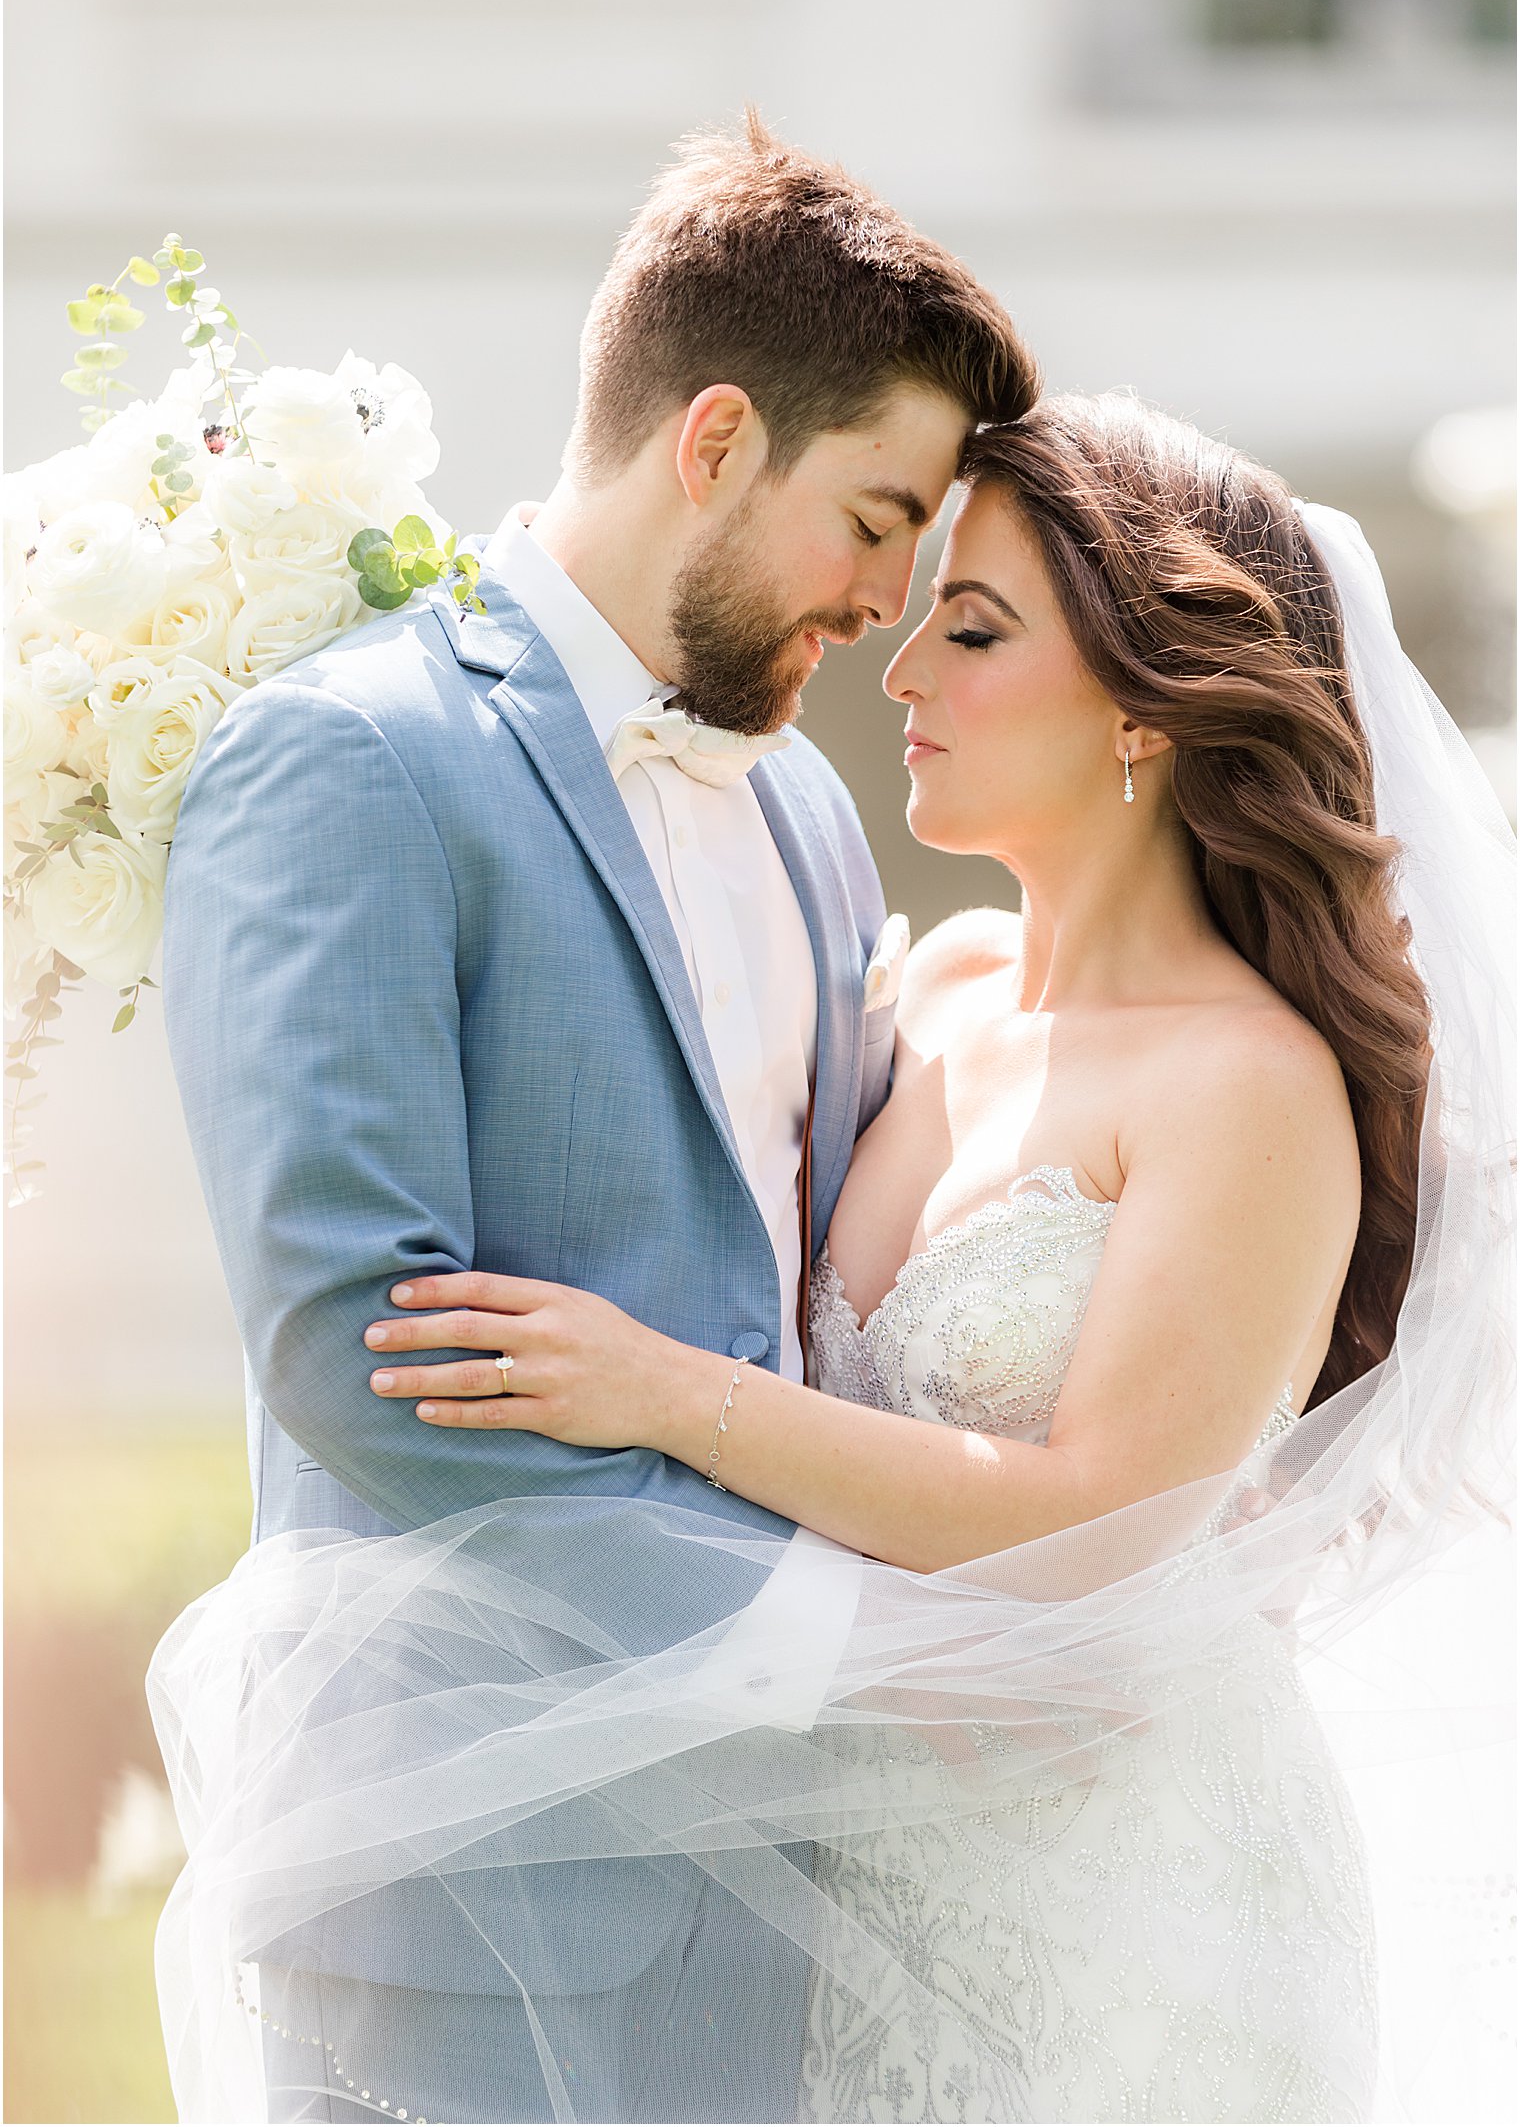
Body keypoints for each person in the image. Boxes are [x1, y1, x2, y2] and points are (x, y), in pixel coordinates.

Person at [327, 397, 1512, 2121]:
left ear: (1144, 703)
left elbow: (1096, 1515)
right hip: (864, 1862)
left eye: (973, 630)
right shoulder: (931, 988)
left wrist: (664, 1396)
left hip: (1127, 1905)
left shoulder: (1248, 1085)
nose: (900, 675)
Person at [155, 112, 1037, 2125]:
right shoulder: (346, 760)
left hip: (807, 1901)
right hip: (478, 1901)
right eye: (877, 515)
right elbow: (359, 1346)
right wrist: (844, 1646)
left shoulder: (811, 814)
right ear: (712, 439)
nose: (895, 597)